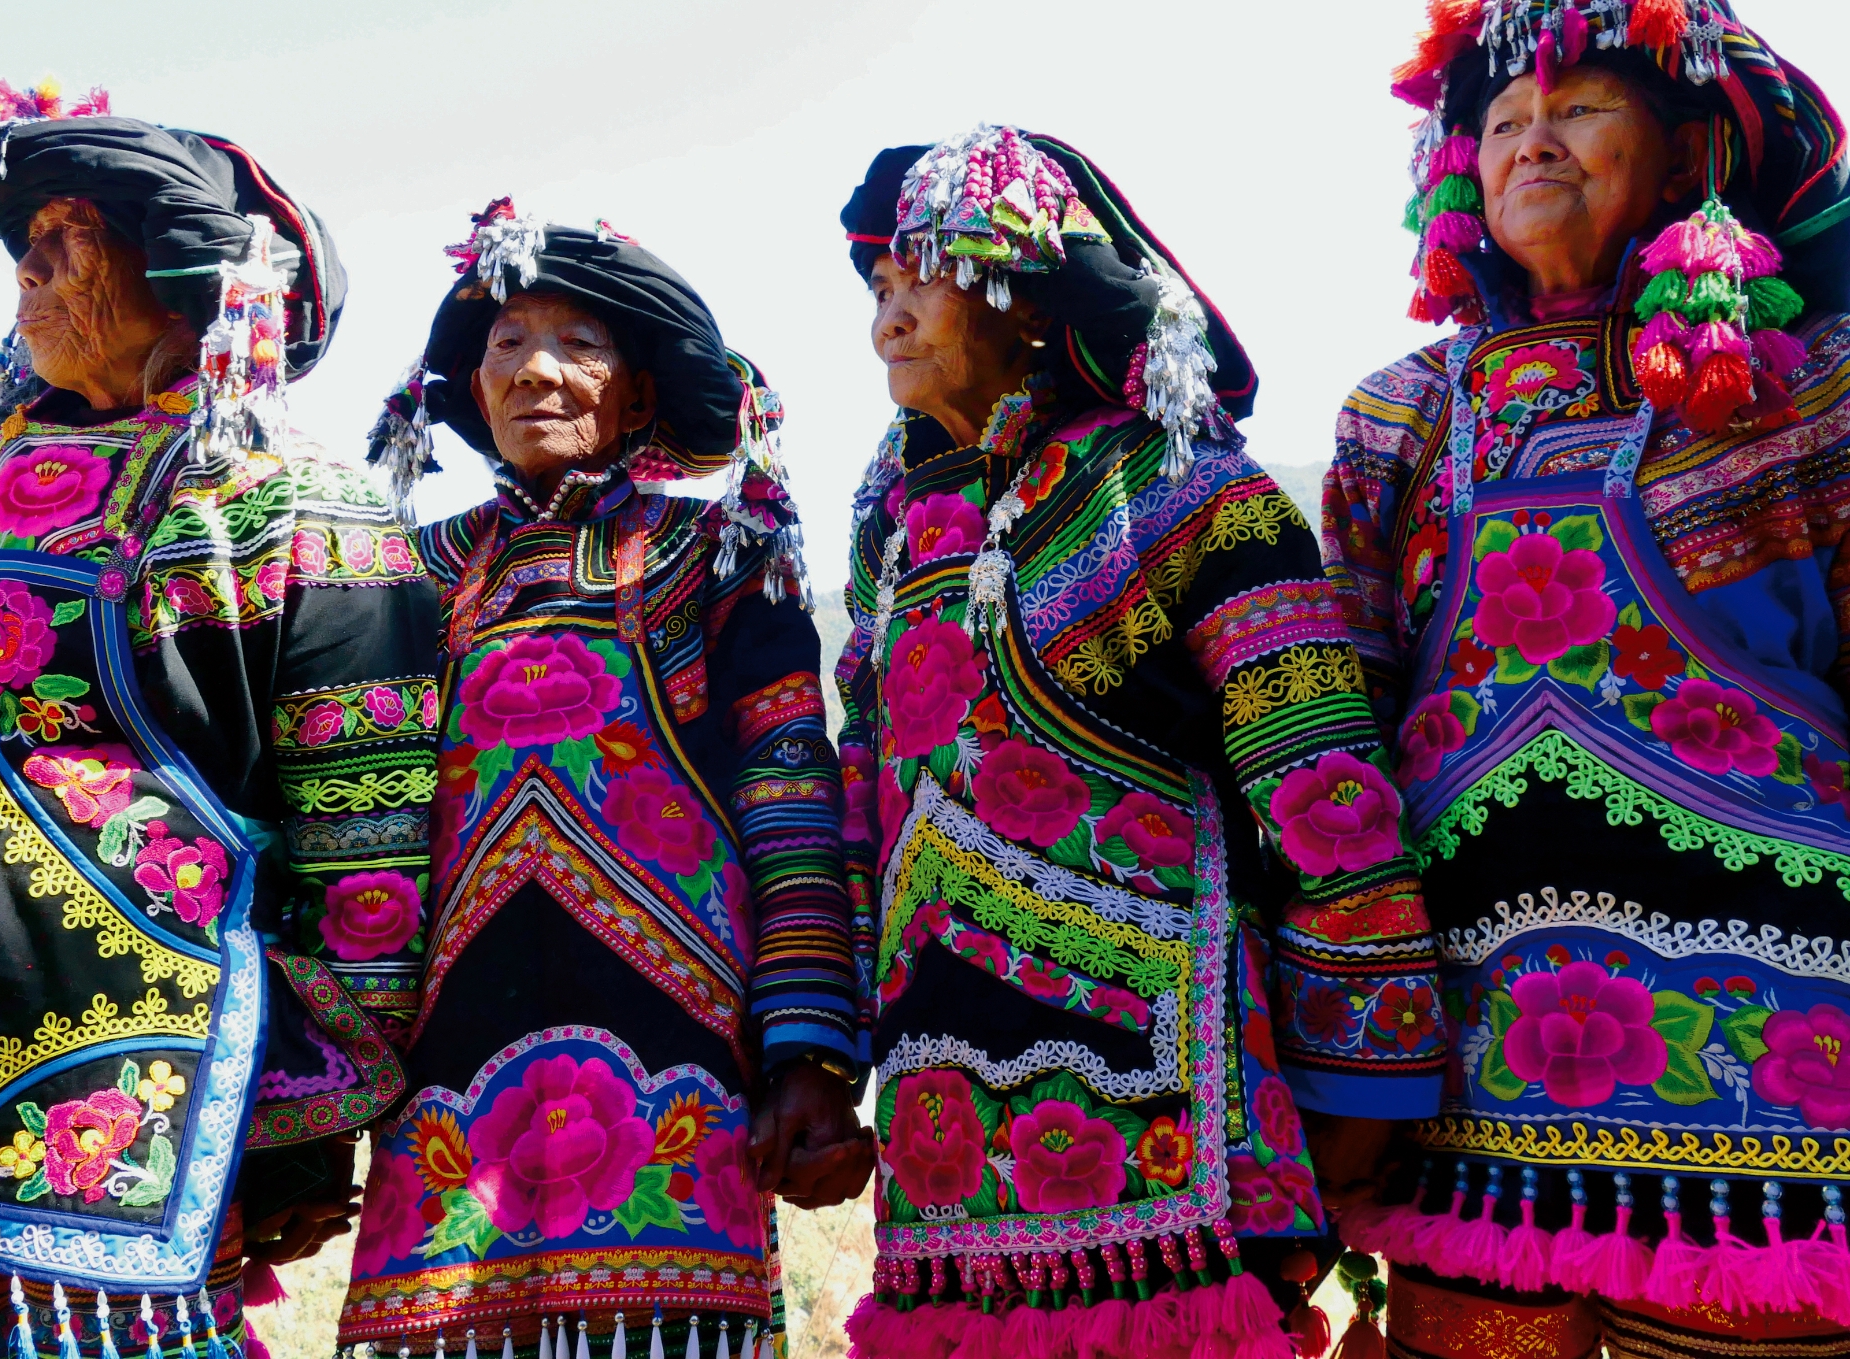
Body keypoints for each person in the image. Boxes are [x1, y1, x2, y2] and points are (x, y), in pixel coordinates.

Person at [0, 74, 441, 1355]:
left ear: (186, 280)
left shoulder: (296, 503)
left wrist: (300, 1130)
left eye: (65, 247)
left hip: (125, 1065)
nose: (28, 279)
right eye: (23, 249)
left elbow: (367, 843)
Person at [832, 125, 1445, 1359]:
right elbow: (864, 795)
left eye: (924, 269)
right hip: (937, 1130)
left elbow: (1324, 789)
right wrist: (818, 1039)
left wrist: (1361, 1088)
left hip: (1174, 1124)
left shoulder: (1180, 489)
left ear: (1028, 295)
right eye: (876, 280)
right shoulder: (894, 526)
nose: (889, 304)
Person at [1323, 2, 1850, 1354]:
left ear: (1684, 162)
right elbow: (1337, 760)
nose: (1531, 141)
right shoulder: (1402, 416)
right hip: (1474, 1086)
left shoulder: (1815, 394)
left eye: (1579, 110)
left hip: (1776, 1117)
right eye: (1501, 123)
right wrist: (1348, 1057)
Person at [338, 202, 867, 1357]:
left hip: (678, 1043)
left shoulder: (720, 555)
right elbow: (351, 828)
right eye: (506, 343)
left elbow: (788, 795)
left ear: (635, 396)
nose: (536, 370)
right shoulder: (403, 578)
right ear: (471, 392)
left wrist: (808, 1048)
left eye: (578, 345)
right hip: (448, 1053)